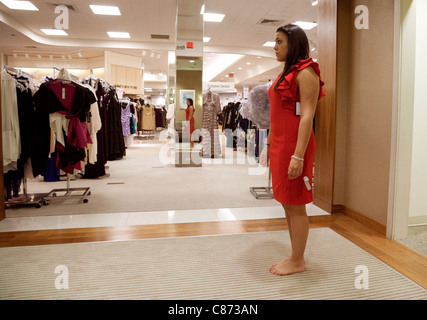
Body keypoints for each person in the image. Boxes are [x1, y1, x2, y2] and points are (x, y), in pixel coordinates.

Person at [260, 24, 325, 276]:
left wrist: (298, 155)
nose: (274, 47)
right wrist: (267, 144)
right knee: (286, 202)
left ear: (293, 44)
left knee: (296, 203)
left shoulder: (305, 72)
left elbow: (308, 116)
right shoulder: (285, 72)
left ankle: (298, 260)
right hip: (279, 143)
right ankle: (294, 254)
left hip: (295, 145)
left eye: (279, 42)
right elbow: (278, 114)